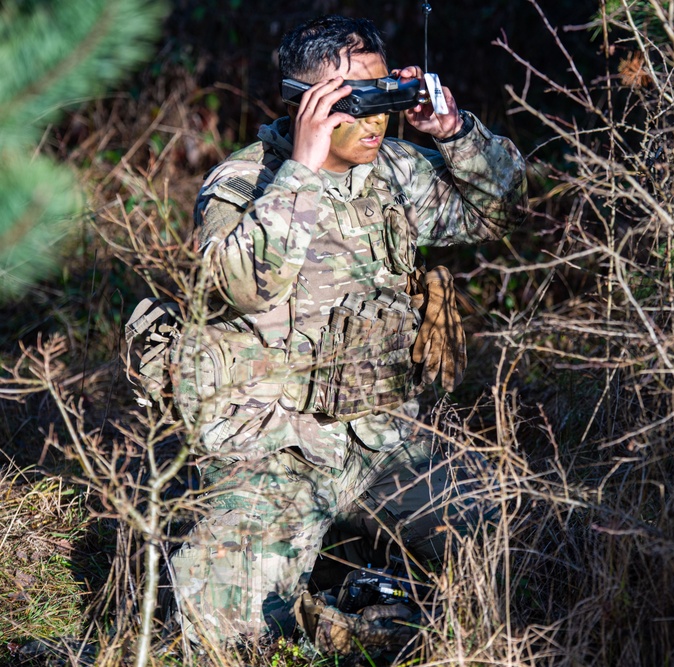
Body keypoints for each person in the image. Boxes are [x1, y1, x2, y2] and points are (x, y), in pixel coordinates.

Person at [167, 14, 527, 646]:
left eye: (386, 96)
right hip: (281, 450)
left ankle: (362, 592)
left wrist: (452, 132)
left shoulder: (395, 170)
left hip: (386, 440)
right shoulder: (244, 183)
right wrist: (302, 173)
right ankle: (333, 612)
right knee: (214, 621)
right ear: (305, 103)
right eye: (356, 102)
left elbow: (493, 212)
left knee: (518, 534)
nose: (376, 120)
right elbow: (242, 283)